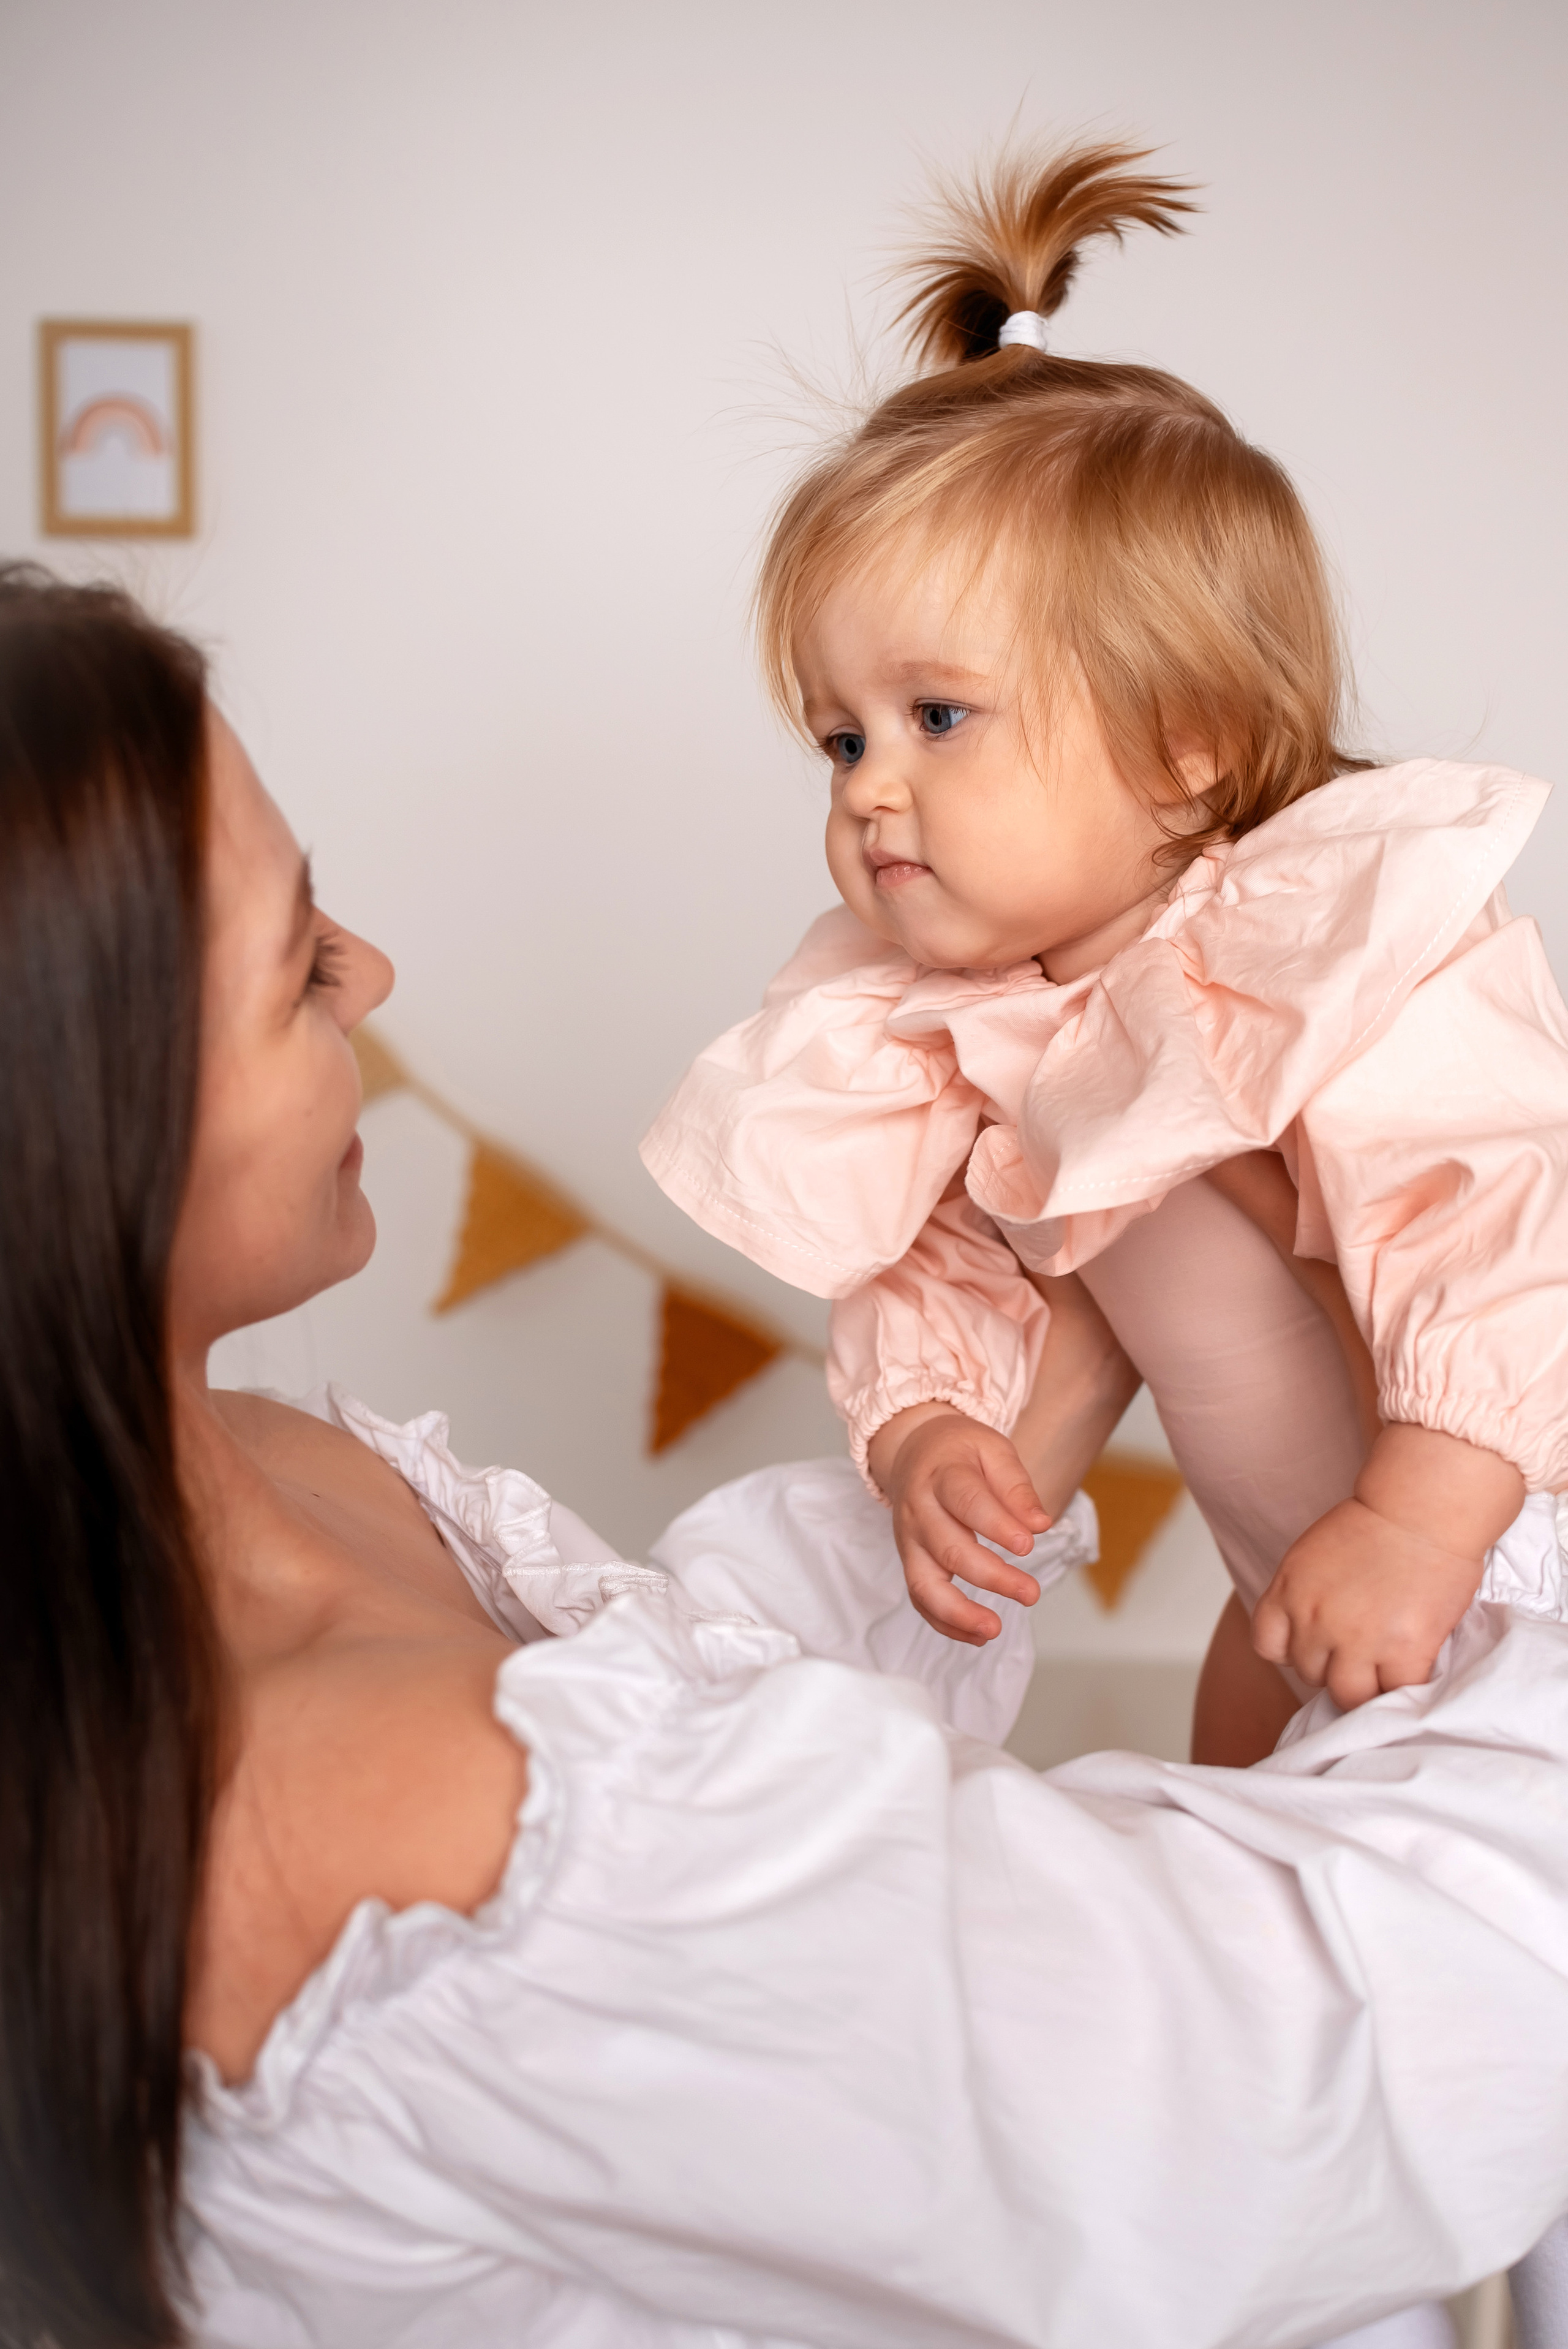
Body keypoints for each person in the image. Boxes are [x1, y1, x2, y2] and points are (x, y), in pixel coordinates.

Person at [4, 575, 1568, 2349]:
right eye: (295, 958)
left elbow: (712, 1729)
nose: (371, 971)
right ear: (78, 1116)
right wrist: (1496, 1504)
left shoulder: (267, 1474)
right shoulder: (379, 1818)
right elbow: (1343, 2081)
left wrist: (1006, 1434)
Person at [638, 140, 1568, 1783]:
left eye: (936, 716)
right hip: (1301, 1582)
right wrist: (933, 1430)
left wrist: (1423, 1518)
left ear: (1185, 749)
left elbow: (1505, 1218)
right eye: (837, 734)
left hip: (1501, 1555)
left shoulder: (1338, 950)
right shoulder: (988, 1029)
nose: (865, 785)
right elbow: (958, 1271)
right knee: (1224, 1839)